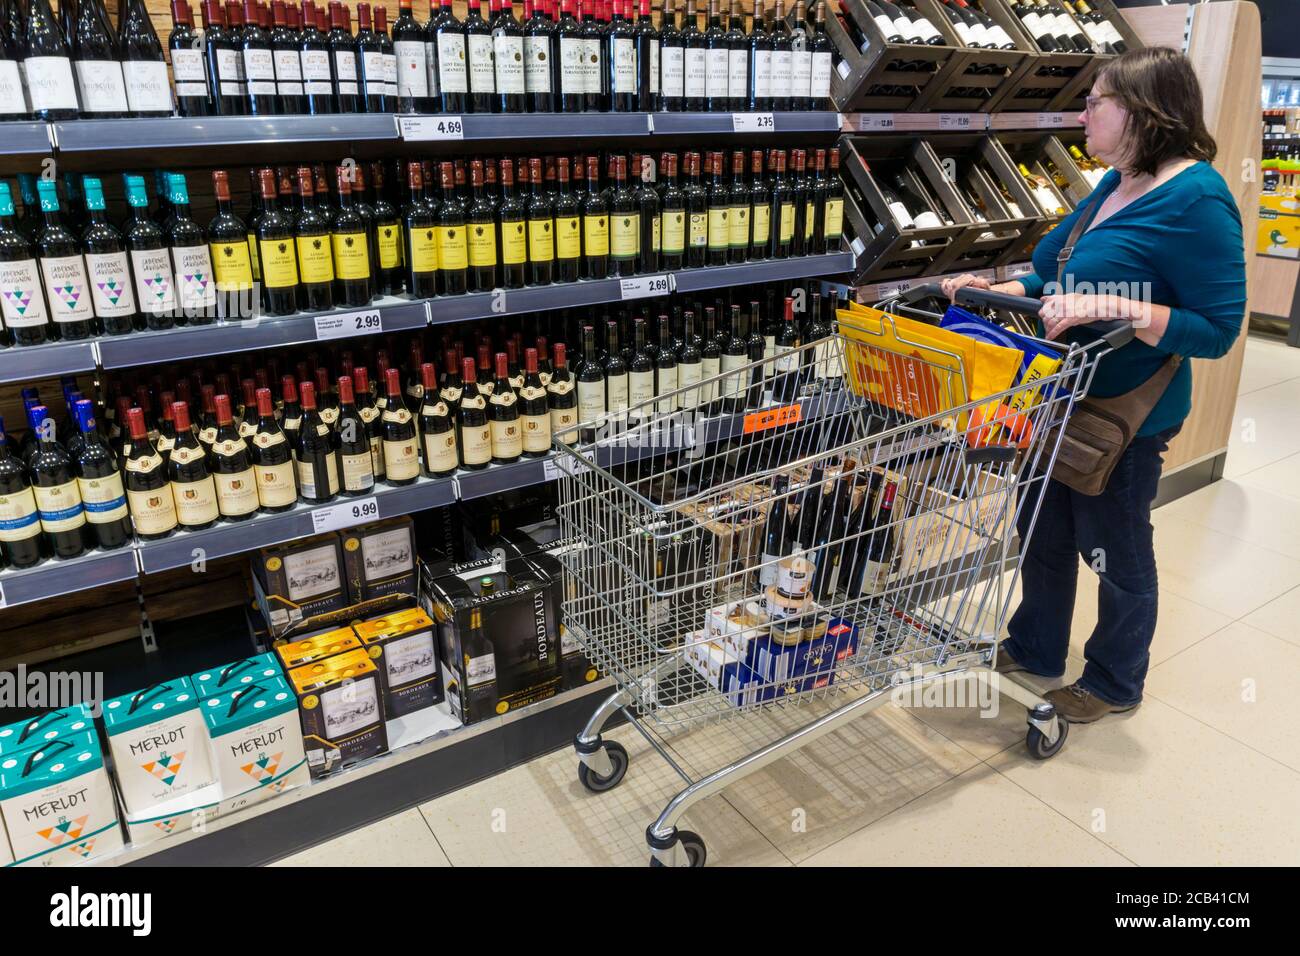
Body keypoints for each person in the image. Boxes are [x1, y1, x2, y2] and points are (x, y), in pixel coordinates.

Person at [942, 47, 1246, 723]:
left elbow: (1218, 328)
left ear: (1141, 112)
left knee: (1112, 546)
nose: (1082, 114)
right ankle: (1036, 646)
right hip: (1059, 393)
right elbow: (1057, 270)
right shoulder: (1118, 181)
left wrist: (1119, 310)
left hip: (1124, 415)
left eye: (1094, 102)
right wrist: (996, 289)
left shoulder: (1198, 200)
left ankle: (1113, 681)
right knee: (1042, 530)